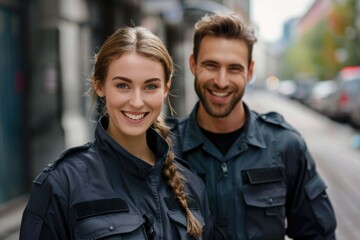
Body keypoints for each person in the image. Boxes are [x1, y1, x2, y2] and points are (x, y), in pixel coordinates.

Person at [20, 26, 213, 240]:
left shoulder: (192, 185)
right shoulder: (61, 184)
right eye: (123, 85)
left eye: (150, 87)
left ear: (166, 89)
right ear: (99, 85)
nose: (137, 102)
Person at [168, 13, 337, 239]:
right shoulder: (165, 149)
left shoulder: (285, 146)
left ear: (249, 71)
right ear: (193, 64)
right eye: (211, 65)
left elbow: (318, 234)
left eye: (234, 69)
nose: (221, 80)